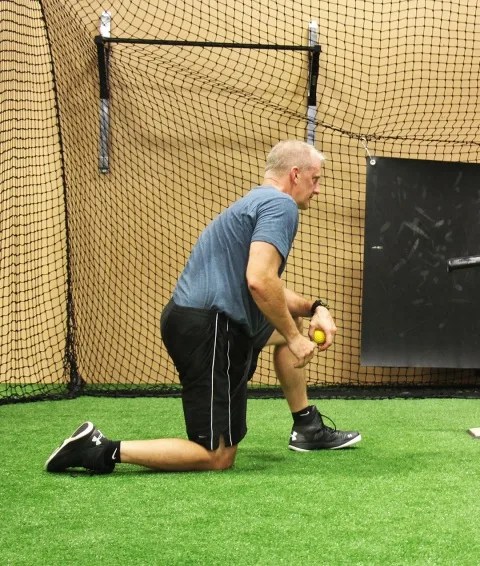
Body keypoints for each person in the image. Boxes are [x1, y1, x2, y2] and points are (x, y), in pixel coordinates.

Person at [45, 140, 361, 473]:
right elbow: (260, 280)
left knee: (286, 328)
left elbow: (266, 285)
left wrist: (316, 308)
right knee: (217, 457)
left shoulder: (254, 202)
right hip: (210, 329)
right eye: (315, 179)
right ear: (295, 175)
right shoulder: (280, 206)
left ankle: (307, 427)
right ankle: (99, 448)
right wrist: (296, 339)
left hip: (205, 322)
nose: (318, 190)